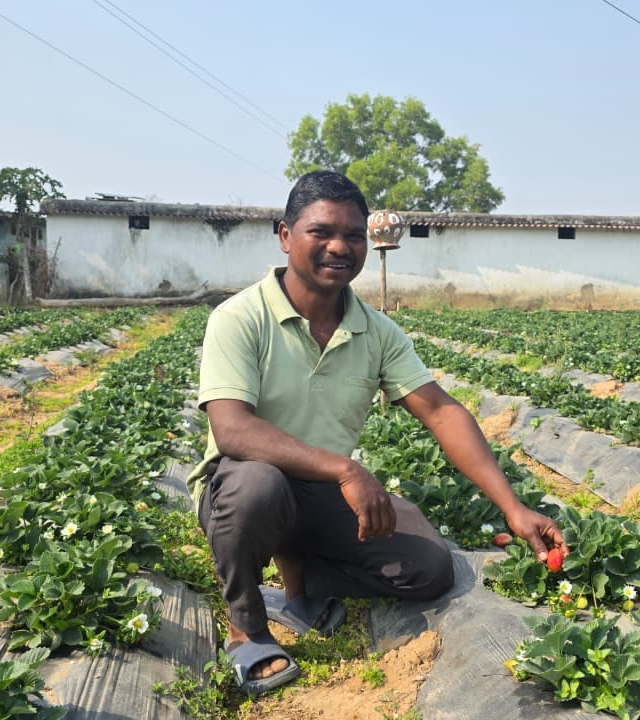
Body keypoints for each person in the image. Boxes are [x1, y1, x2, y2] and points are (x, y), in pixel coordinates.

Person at [187, 170, 566, 695]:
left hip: (319, 494)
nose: (340, 246)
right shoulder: (240, 317)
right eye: (321, 231)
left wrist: (512, 507)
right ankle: (246, 628)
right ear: (285, 235)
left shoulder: (375, 330)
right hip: (242, 486)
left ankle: (299, 586)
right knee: (259, 487)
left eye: (355, 234)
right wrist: (346, 468)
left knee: (429, 569)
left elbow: (440, 412)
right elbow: (232, 430)